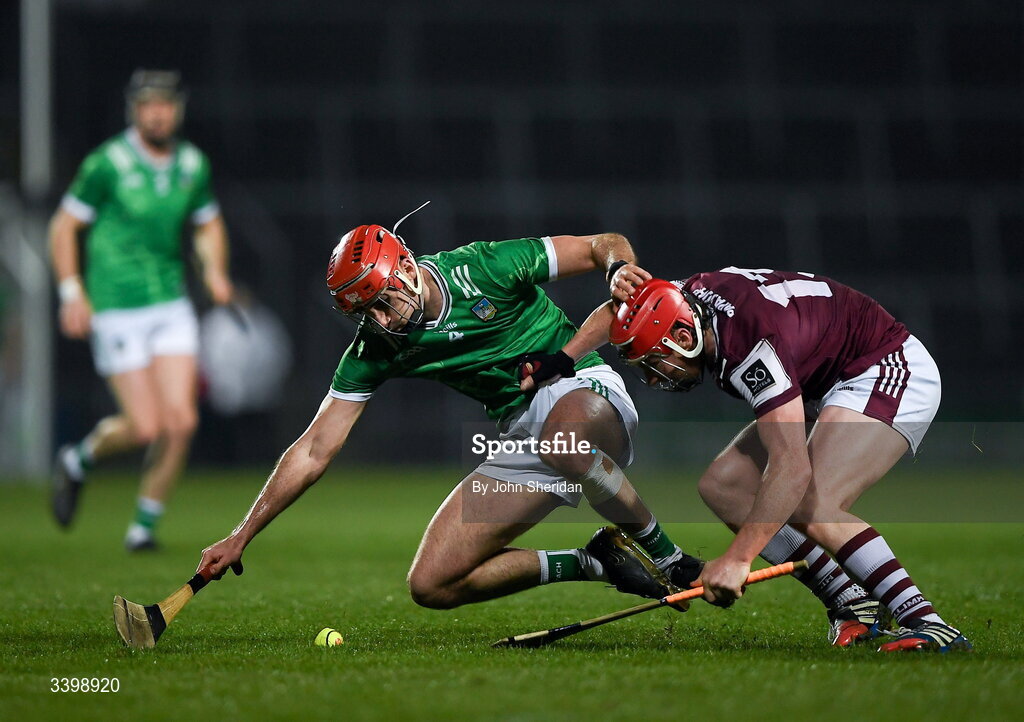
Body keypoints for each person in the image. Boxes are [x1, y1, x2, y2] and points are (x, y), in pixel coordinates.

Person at [197, 223, 703, 608]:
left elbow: (604, 243)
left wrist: (616, 268)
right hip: (524, 432)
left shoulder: (485, 266)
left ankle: (670, 557)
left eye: (379, 304)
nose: (376, 323)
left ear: (408, 271)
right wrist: (242, 534)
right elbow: (313, 449)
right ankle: (597, 562)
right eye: (361, 314)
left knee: (561, 437)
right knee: (433, 583)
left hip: (583, 389)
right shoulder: (374, 348)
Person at [536, 266, 970, 653]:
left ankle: (927, 621)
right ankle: (851, 599)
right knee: (723, 485)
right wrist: (563, 358)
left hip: (883, 365)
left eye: (655, 362)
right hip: (826, 377)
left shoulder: (751, 348)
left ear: (683, 337)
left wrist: (739, 558)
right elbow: (620, 311)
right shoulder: (684, 299)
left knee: (811, 504)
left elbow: (790, 468)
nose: (653, 377)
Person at [49, 69, 234, 551]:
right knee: (144, 425)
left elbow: (207, 224)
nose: (158, 112)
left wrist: (215, 272)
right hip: (116, 304)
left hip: (169, 303)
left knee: (182, 421)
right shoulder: (107, 163)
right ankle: (78, 460)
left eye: (166, 104)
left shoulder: (192, 164)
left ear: (178, 109)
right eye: (148, 104)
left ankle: (142, 529)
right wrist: (72, 292)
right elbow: (63, 227)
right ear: (134, 109)